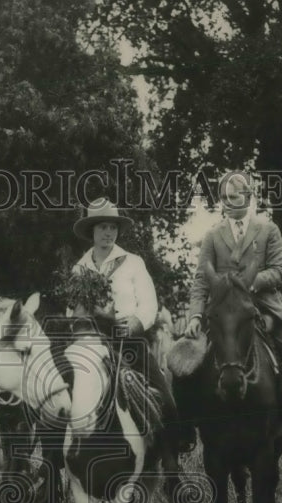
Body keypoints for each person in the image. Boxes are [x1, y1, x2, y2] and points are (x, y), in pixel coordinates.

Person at [182, 172, 282, 459]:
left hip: (265, 309)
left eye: (236, 196)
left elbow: (280, 270)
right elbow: (200, 281)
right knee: (189, 365)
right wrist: (194, 316)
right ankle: (186, 430)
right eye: (226, 198)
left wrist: (251, 282)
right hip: (223, 313)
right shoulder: (212, 235)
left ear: (249, 196)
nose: (231, 203)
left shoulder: (268, 229)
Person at [65, 198, 189, 471]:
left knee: (164, 396)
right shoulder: (79, 268)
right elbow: (69, 310)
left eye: (112, 227)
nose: (108, 233)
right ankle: (53, 464)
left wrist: (132, 325)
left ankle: (171, 460)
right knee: (60, 393)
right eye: (102, 228)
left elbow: (149, 305)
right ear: (91, 231)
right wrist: (82, 321)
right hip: (91, 344)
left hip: (128, 341)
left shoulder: (133, 263)